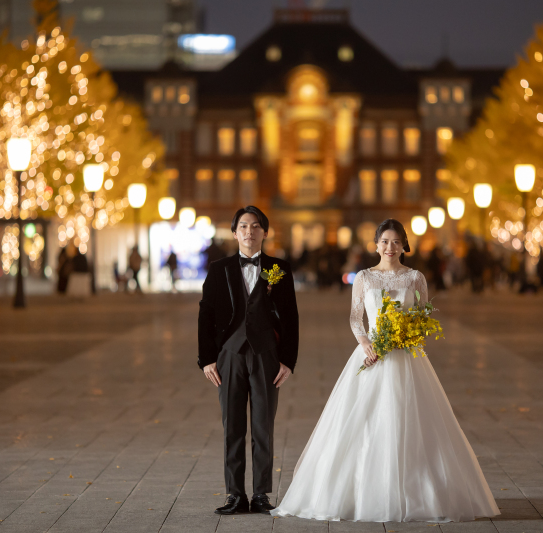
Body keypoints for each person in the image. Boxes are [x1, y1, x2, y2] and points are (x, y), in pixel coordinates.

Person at [272, 219, 499, 523]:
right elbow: (355, 318)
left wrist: (405, 337)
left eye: (395, 242)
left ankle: (418, 490)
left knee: (412, 420)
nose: (390, 248)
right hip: (370, 356)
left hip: (406, 357)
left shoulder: (416, 278)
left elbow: (422, 316)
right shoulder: (364, 278)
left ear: (405, 244)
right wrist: (366, 343)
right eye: (384, 242)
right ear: (376, 244)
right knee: (360, 421)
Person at [198, 206, 299, 516]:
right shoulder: (219, 269)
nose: (249, 231)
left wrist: (288, 361)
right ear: (234, 232)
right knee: (232, 426)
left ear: (265, 233)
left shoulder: (279, 268)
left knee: (263, 427)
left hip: (266, 356)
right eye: (243, 226)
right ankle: (234, 494)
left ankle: (261, 494)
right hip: (228, 356)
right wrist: (207, 359)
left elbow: (291, 318)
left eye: (256, 226)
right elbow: (207, 315)